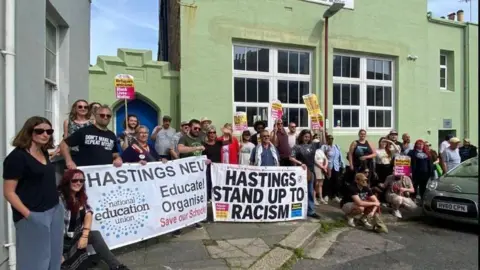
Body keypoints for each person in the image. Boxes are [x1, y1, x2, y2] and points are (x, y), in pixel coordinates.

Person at [3, 116, 64, 270]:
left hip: (54, 210)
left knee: (54, 259)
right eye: (40, 131)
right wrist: (29, 215)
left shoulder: (43, 152)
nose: (45, 134)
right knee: (35, 263)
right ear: (29, 132)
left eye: (49, 131)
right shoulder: (17, 157)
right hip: (33, 215)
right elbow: (9, 192)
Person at [58, 169, 129, 270]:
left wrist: (85, 235)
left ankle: (116, 266)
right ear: (67, 181)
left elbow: (88, 212)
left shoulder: (79, 197)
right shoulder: (59, 198)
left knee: (95, 235)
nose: (78, 183)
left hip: (74, 235)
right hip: (62, 241)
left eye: (81, 181)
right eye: (74, 180)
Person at [289, 129, 323, 219]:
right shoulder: (297, 147)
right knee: (299, 192)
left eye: (308, 137)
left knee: (310, 192)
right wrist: (300, 163)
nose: (307, 138)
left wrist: (322, 132)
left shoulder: (313, 146)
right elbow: (291, 158)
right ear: (301, 137)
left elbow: (323, 142)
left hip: (310, 172)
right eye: (305, 136)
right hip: (300, 172)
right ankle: (297, 211)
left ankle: (311, 211)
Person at [321, 134, 345, 203]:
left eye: (332, 138)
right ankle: (326, 195)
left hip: (336, 166)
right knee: (327, 181)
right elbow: (321, 156)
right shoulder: (324, 147)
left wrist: (343, 165)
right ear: (327, 139)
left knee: (336, 181)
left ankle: (335, 195)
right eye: (329, 138)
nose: (330, 140)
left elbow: (340, 156)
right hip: (328, 166)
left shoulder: (336, 146)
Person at [202, 125, 222, 202]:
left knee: (218, 182)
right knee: (209, 182)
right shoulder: (204, 145)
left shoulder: (219, 143)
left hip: (218, 166)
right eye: (210, 132)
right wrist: (206, 160)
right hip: (209, 167)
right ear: (207, 134)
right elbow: (202, 157)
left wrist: (227, 132)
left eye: (214, 132)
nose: (212, 134)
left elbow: (230, 140)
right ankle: (209, 197)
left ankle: (217, 196)